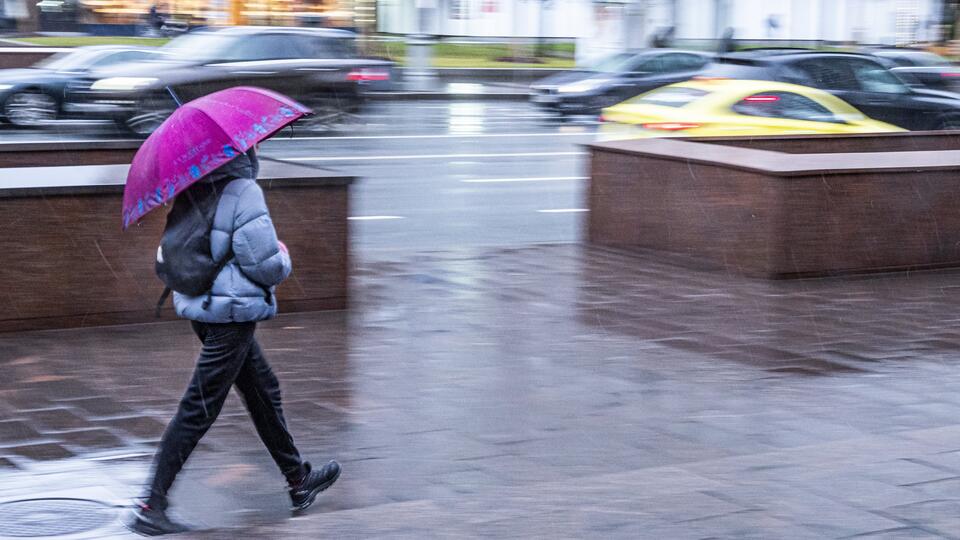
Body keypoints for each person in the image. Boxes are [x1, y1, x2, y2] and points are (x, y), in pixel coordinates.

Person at [126, 148, 341, 536]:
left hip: (203, 306)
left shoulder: (194, 184)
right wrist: (283, 255)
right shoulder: (243, 190)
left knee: (262, 388)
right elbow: (264, 264)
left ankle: (298, 481)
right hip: (232, 313)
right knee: (200, 407)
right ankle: (150, 504)